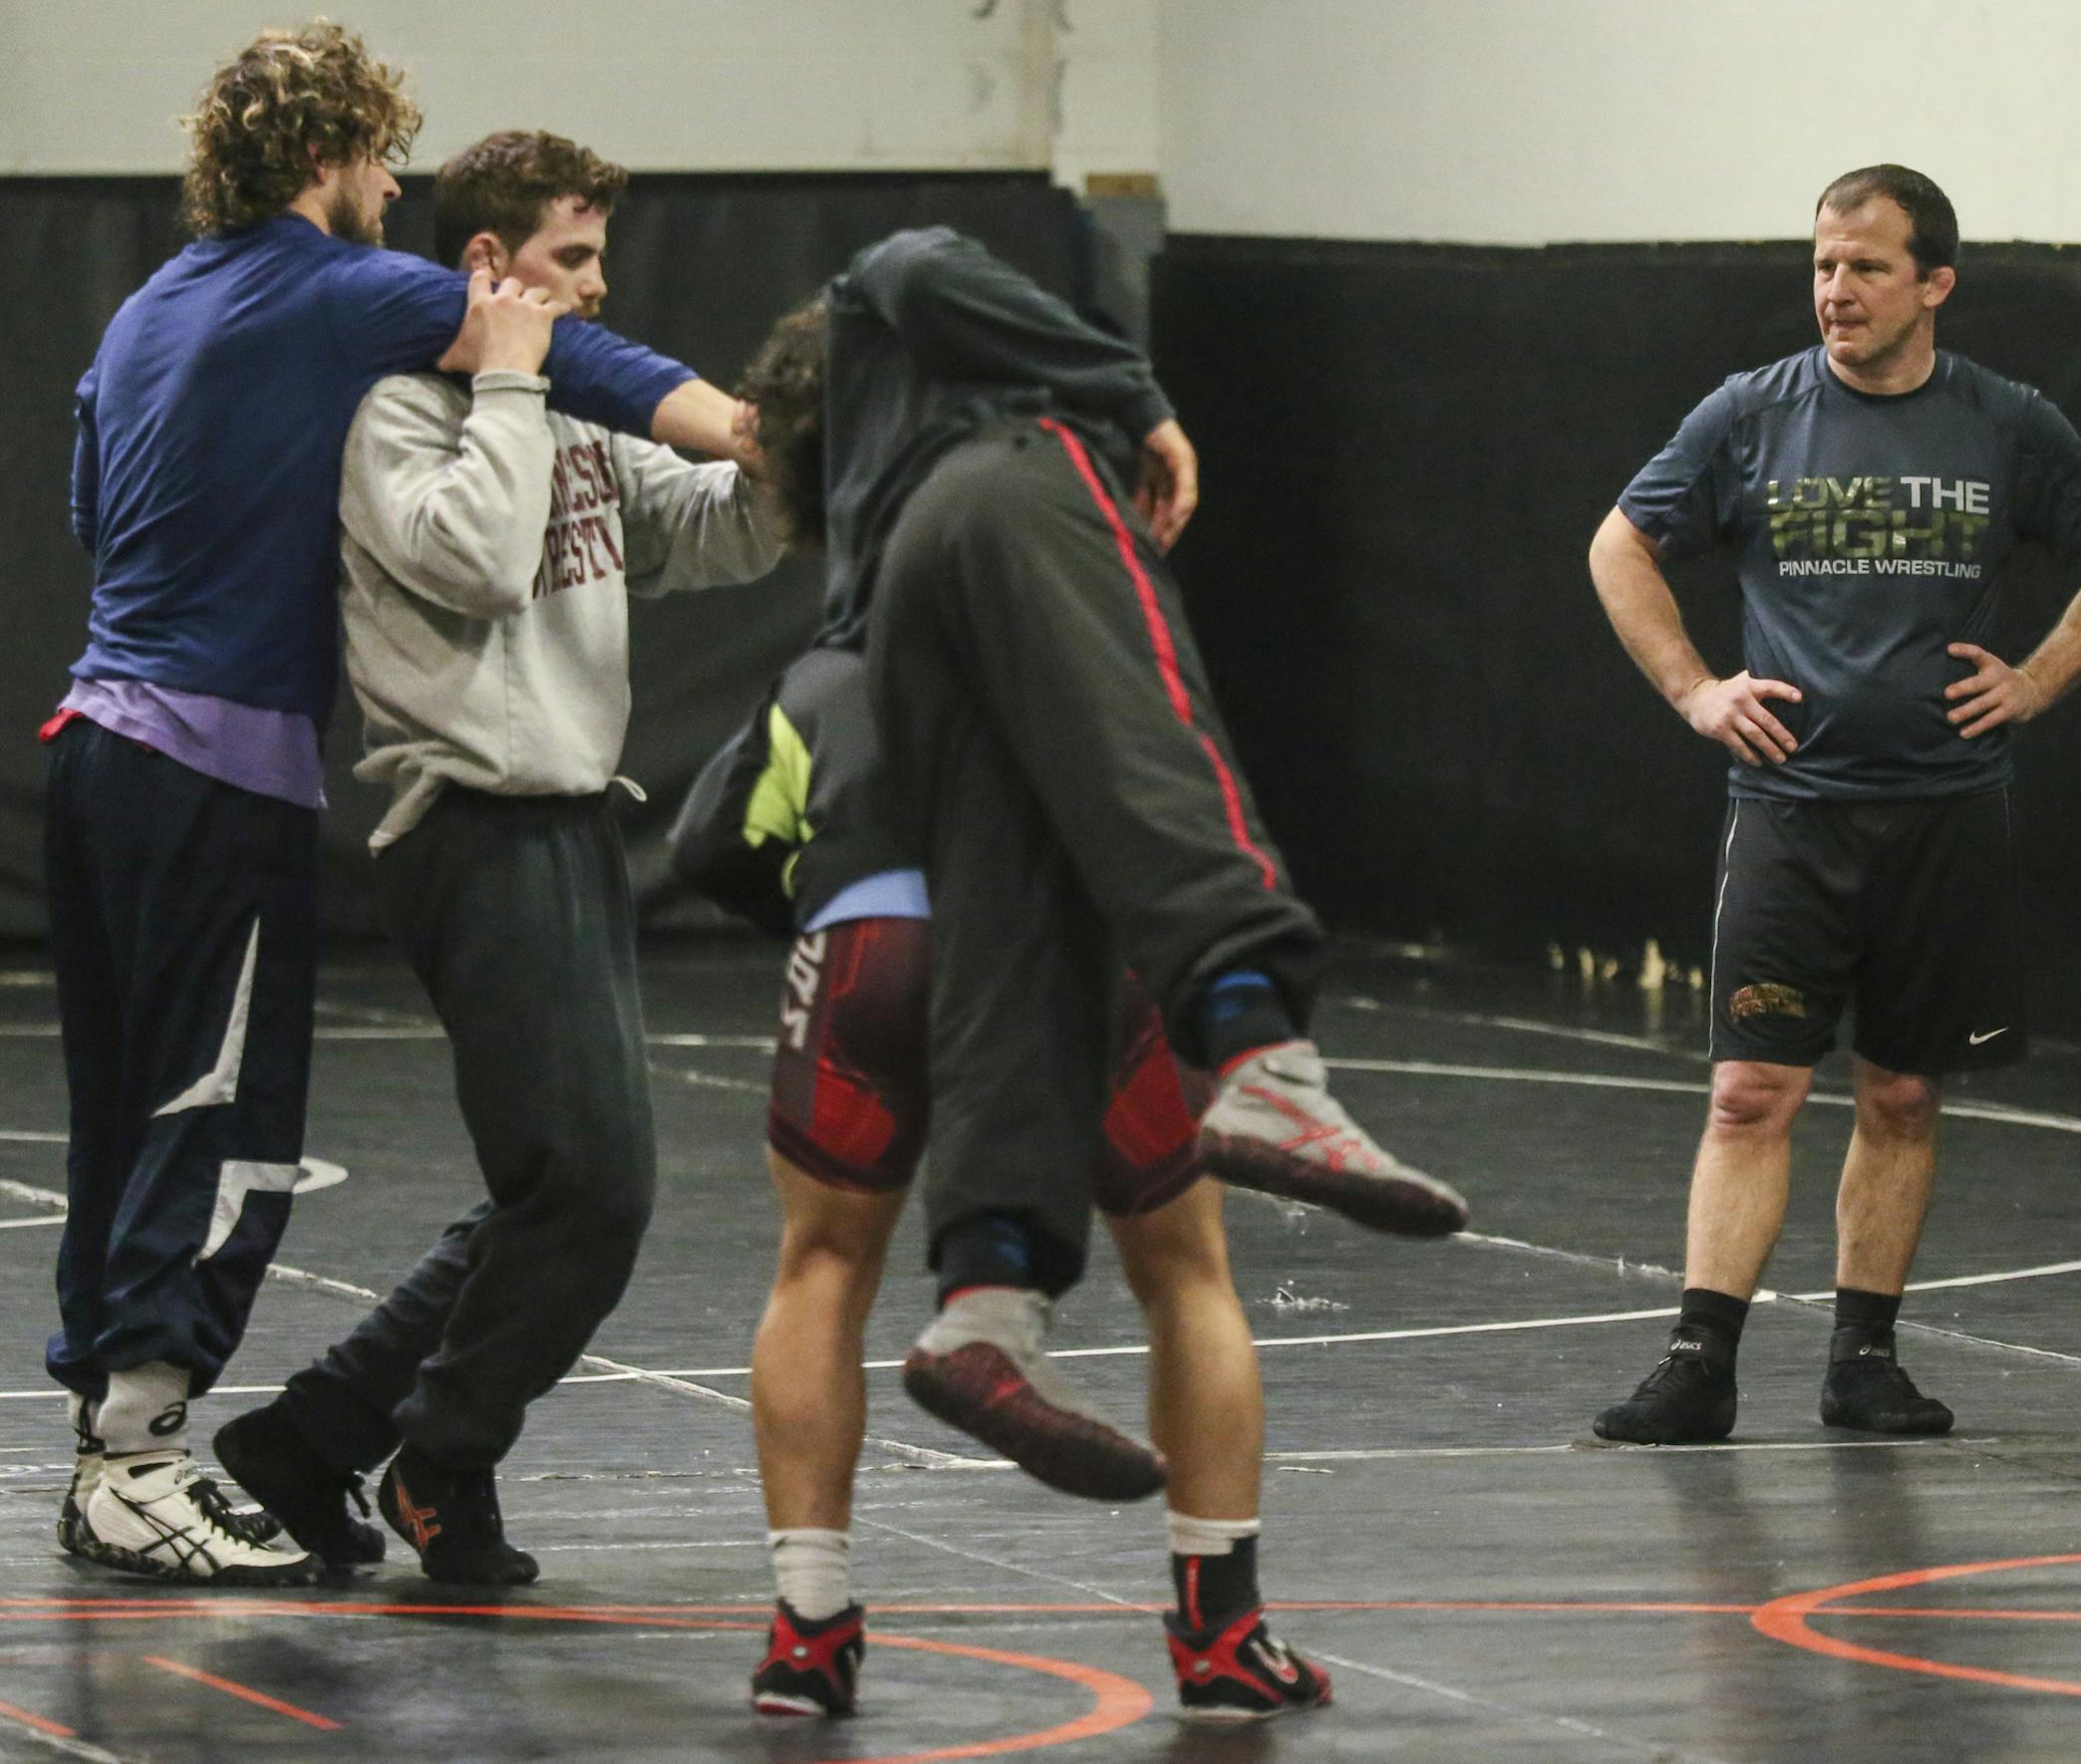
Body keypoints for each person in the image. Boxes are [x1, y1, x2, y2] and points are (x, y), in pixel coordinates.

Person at [48, 23, 754, 1588]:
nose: (386, 186)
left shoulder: (147, 306)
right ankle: (139, 1453)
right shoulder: (333, 291)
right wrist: (758, 427)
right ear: (334, 156)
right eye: (378, 157)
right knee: (215, 1115)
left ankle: (131, 1433)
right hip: (212, 760)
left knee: (128, 1107)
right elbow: (576, 358)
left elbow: (94, 505)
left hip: (96, 734)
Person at [727, 231, 1465, 1514]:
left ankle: (988, 1302)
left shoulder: (864, 514)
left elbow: (727, 827)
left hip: (900, 652)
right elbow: (913, 261)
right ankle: (1265, 1061)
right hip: (1011, 498)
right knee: (1156, 748)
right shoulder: (997, 408)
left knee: (1016, 920)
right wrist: (1142, 402)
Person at [207, 130, 783, 1586]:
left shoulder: (574, 419)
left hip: (576, 822)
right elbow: (470, 555)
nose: (596, 289)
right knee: (593, 1186)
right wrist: (518, 379)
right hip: (471, 825)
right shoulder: (395, 409)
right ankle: (441, 1454)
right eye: (570, 260)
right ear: (488, 264)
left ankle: (313, 1434)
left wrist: (796, 457)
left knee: (559, 1183)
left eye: (600, 258)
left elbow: (703, 534)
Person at [1587, 164, 2081, 1445]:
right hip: (1794, 808)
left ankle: (1865, 1361)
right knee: (1749, 1091)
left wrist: (2042, 678)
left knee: (1902, 1092)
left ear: (1935, 284)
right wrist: (1693, 689)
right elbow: (1620, 543)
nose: (1835, 292)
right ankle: (1698, 1361)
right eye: (1822, 268)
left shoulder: (2005, 421)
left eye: (1865, 269)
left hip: (1946, 811)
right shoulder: (1750, 415)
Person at [673, 647, 1331, 1721]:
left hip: (870, 946)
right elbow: (1202, 838)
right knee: (1186, 1273)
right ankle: (1223, 1635)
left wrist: (829, 910)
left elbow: (710, 843)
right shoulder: (1100, 644)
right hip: (1083, 952)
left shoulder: (833, 672)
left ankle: (806, 1634)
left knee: (823, 1262)